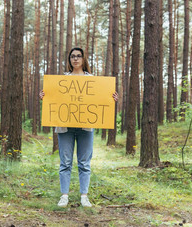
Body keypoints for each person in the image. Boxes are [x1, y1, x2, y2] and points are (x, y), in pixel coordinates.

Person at [40, 47, 118, 207]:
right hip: (65, 127)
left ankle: (84, 196)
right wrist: (44, 96)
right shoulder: (63, 80)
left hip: (85, 127)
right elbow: (53, 97)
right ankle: (64, 196)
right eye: (72, 56)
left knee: (84, 162)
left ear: (83, 59)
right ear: (69, 60)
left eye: (78, 56)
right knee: (65, 162)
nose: (75, 59)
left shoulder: (93, 80)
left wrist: (111, 98)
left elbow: (100, 99)